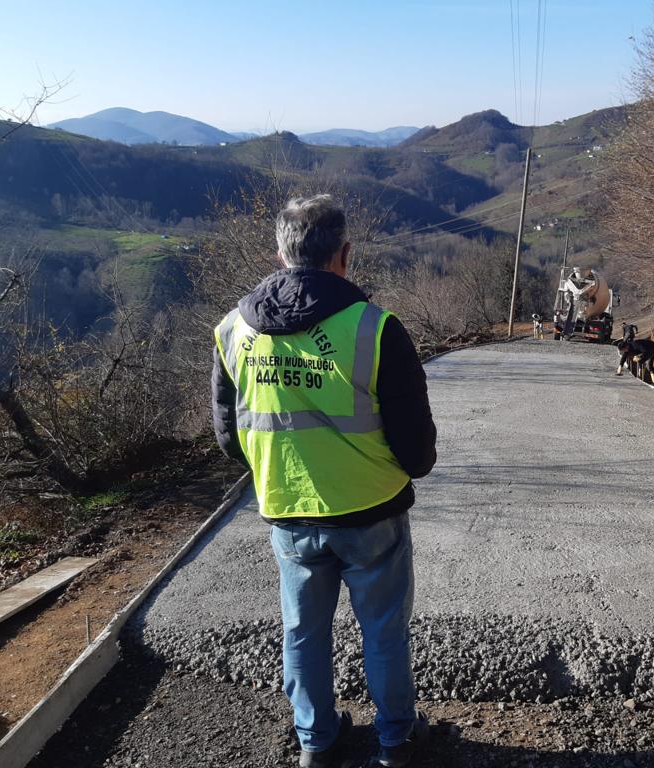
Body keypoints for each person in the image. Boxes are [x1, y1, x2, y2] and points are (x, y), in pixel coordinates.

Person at [211, 195, 437, 768]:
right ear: (345, 254)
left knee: (303, 632)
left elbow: (228, 434)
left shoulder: (233, 330)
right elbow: (416, 450)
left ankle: (316, 740)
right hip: (371, 510)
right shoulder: (375, 329)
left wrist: (280, 471)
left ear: (280, 253)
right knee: (383, 631)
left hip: (288, 510)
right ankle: (395, 741)